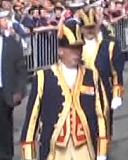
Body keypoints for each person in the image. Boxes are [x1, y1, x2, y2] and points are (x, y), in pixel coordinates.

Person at [21, 20, 109, 160]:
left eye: (79, 48)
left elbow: (101, 114)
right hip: (55, 150)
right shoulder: (43, 77)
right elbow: (32, 119)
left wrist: (102, 150)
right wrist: (29, 155)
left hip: (85, 147)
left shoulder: (91, 75)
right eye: (72, 49)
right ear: (61, 50)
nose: (77, 53)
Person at [79, 8, 126, 131]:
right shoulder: (76, 47)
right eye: (86, 28)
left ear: (97, 26)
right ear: (81, 29)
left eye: (92, 27)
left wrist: (117, 95)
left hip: (104, 91)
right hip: (81, 94)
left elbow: (116, 72)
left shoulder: (109, 45)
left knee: (104, 129)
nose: (89, 31)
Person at [0, 10, 28, 160]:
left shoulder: (12, 43)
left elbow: (21, 69)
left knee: (5, 124)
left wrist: (19, 91)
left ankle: (6, 155)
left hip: (5, 89)